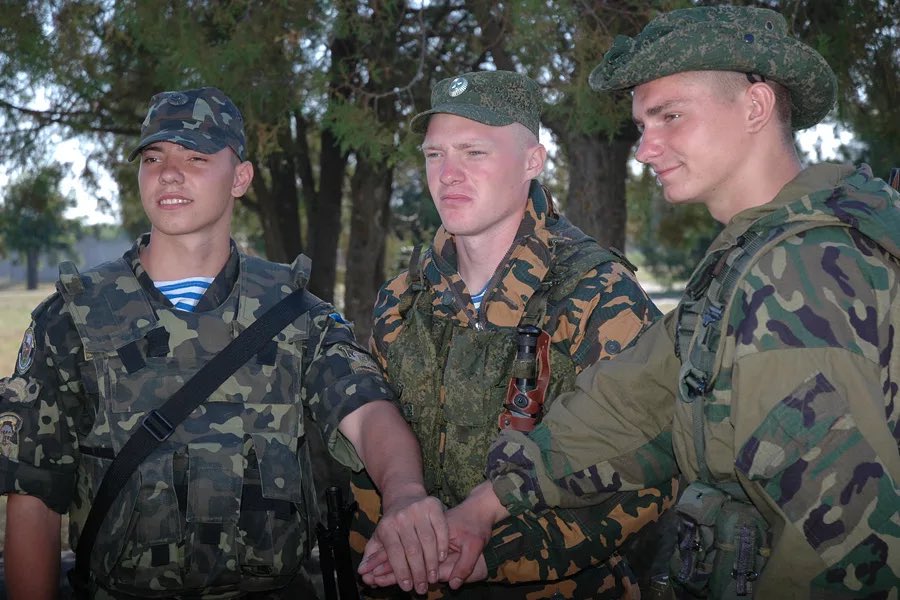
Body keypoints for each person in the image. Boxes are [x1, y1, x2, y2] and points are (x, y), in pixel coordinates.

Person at [484, 6, 900, 599]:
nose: (645, 150)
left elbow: (842, 553)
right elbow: (637, 402)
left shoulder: (797, 275)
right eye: (640, 125)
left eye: (670, 117)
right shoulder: (751, 258)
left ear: (755, 108)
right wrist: (487, 505)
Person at [0, 86, 446, 600]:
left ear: (240, 178)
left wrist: (406, 493)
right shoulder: (73, 318)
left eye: (195, 156)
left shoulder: (292, 311)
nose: (169, 172)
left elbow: (366, 411)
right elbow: (33, 494)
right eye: (153, 157)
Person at [352, 70, 677, 598]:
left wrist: (494, 555)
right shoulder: (403, 299)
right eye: (434, 155)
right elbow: (372, 446)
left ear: (533, 161)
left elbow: (646, 475)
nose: (448, 175)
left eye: (474, 152)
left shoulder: (596, 293)